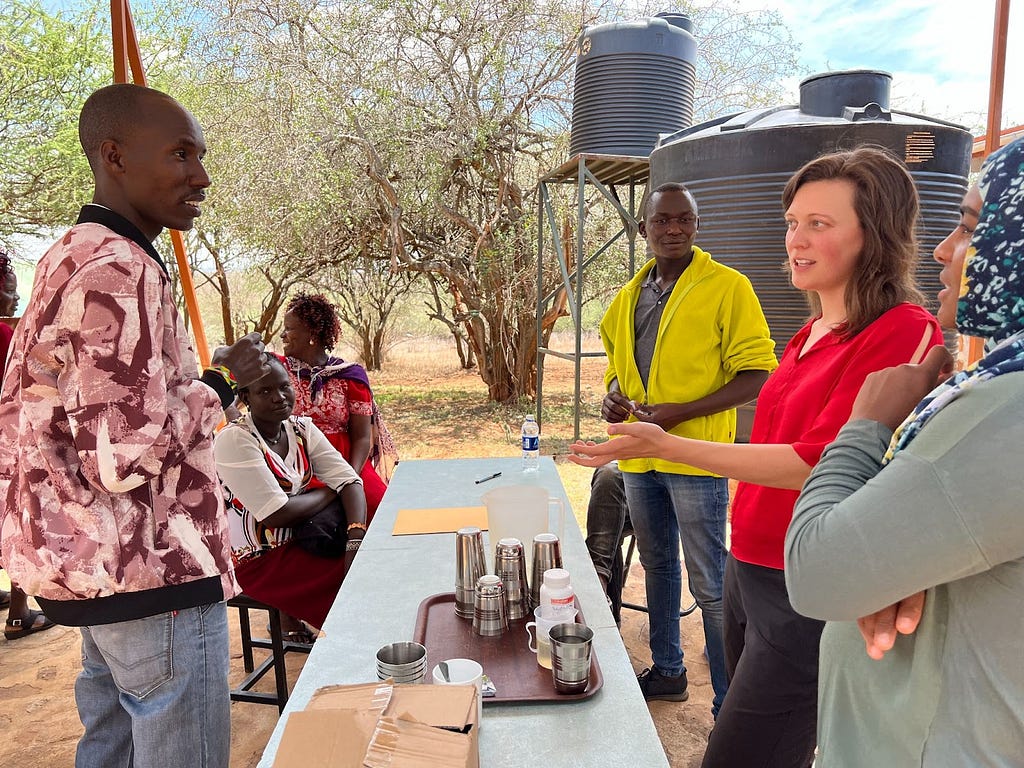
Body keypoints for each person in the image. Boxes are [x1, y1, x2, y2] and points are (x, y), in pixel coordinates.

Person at [571, 147, 944, 767]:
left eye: (819, 224)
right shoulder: (809, 331)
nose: (796, 240)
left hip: (809, 579)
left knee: (739, 754)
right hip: (752, 560)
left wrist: (668, 441)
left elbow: (818, 461)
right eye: (792, 222)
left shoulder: (902, 331)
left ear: (874, 234)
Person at [0, 83, 268, 768]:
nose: (201, 176)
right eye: (180, 155)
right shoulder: (121, 269)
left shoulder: (69, 252)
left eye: (202, 157)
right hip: (154, 575)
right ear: (113, 155)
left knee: (112, 749)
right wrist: (225, 382)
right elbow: (124, 458)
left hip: (96, 570)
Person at [786, 138, 1024, 766]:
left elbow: (822, 567)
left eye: (973, 225)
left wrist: (866, 426)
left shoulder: (1006, 406)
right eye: (792, 223)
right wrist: (886, 563)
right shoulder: (995, 383)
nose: (947, 249)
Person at [598, 181, 778, 712]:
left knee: (711, 582)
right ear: (643, 229)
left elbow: (756, 373)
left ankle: (730, 704)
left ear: (697, 227)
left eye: (683, 220)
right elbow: (616, 367)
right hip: (638, 454)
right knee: (657, 566)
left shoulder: (728, 287)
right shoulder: (630, 294)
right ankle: (669, 669)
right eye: (661, 220)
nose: (672, 229)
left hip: (695, 455)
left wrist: (680, 414)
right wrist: (613, 397)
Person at [214, 356, 367, 631]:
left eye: (284, 387)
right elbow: (276, 514)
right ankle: (351, 649)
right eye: (265, 391)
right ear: (245, 397)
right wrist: (332, 490)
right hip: (257, 561)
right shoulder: (235, 439)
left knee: (367, 565)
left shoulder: (301, 428)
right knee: (355, 591)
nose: (279, 397)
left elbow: (350, 481)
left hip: (303, 539)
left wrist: (355, 538)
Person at [279, 293, 396, 516]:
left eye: (289, 329)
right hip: (294, 462)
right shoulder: (278, 369)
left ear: (312, 334)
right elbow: (232, 386)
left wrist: (348, 478)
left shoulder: (350, 375)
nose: (283, 335)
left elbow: (362, 437)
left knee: (380, 510)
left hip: (344, 461)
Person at [0, 250, 58, 640]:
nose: (15, 299)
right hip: (8, 448)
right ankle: (20, 614)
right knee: (19, 521)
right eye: (9, 290)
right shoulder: (6, 335)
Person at [584, 463, 631, 624]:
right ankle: (600, 592)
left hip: (677, 489)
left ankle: (597, 592)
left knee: (608, 523)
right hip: (638, 476)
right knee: (608, 475)